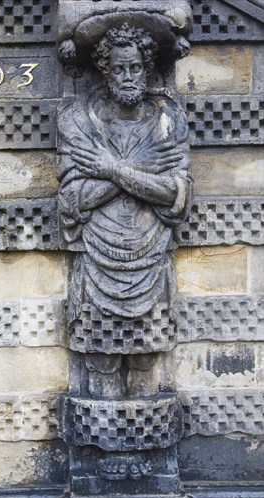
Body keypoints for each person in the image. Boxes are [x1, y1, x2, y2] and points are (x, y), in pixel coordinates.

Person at [58, 23, 194, 398]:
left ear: (147, 67)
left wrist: (112, 168)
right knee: (100, 363)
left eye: (135, 67)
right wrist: (139, 169)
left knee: (146, 362)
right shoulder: (80, 122)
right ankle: (97, 445)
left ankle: (150, 443)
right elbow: (73, 199)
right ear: (106, 70)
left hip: (149, 256)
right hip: (98, 258)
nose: (128, 76)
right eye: (119, 68)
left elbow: (176, 194)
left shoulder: (167, 122)